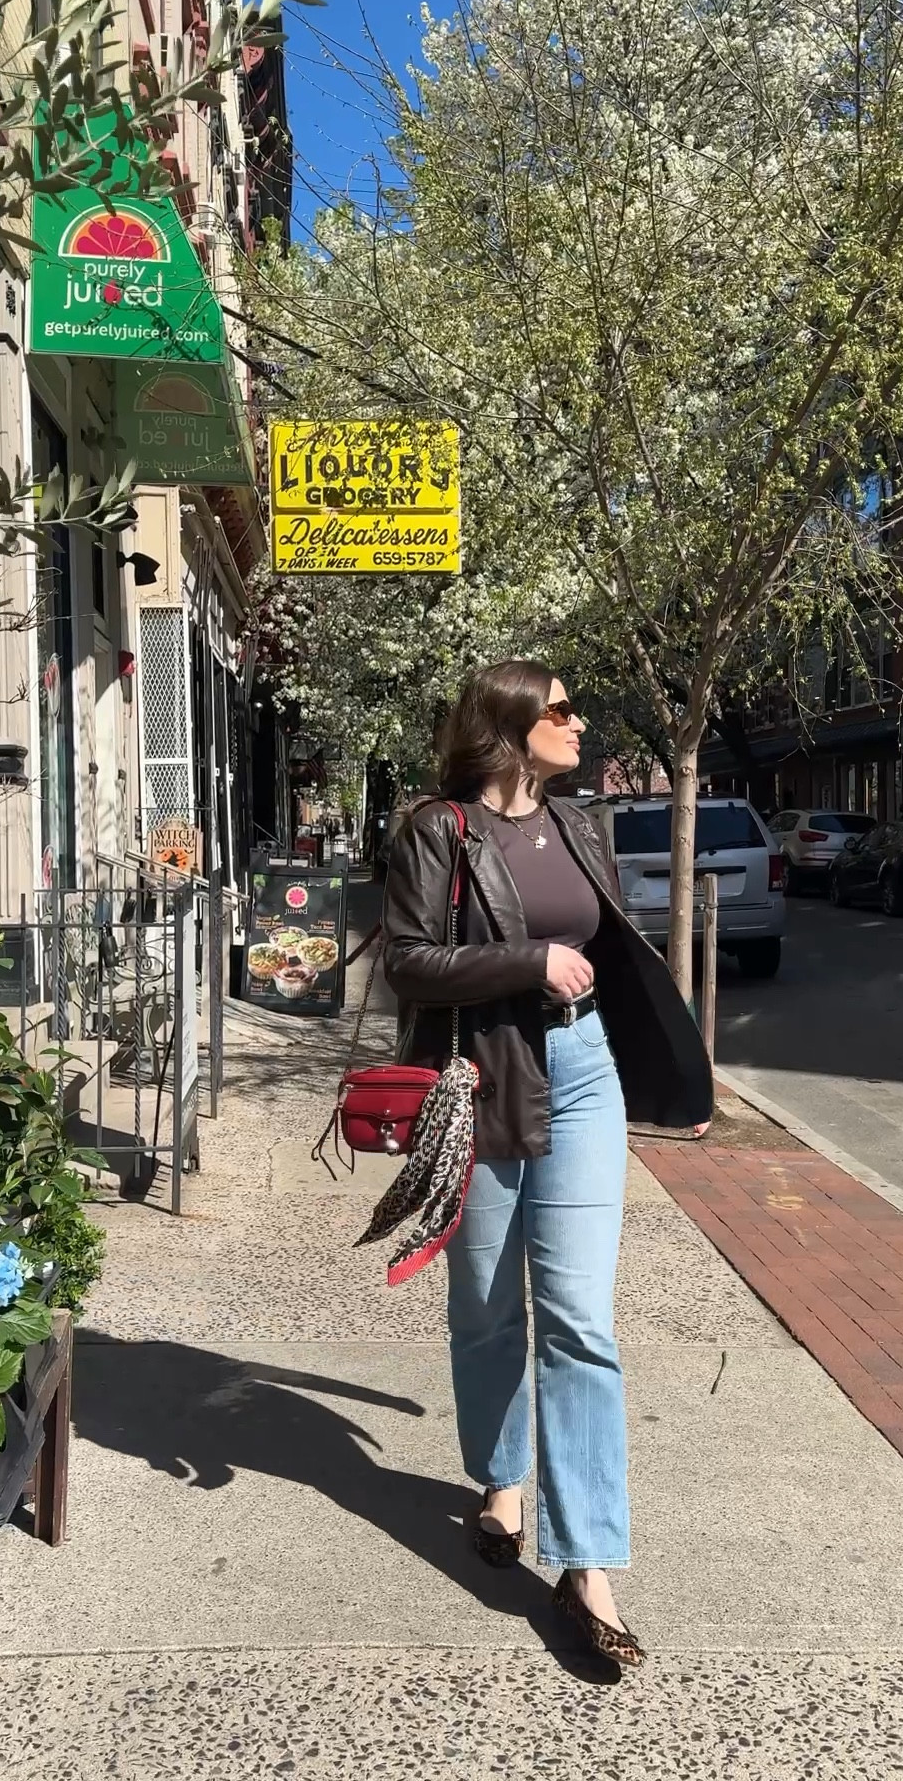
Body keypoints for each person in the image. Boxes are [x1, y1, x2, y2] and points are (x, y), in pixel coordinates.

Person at [382, 660, 713, 1671]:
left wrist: (667, 1073)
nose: (578, 724)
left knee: (578, 1319)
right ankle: (500, 1480)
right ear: (512, 726)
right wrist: (525, 964)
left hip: (582, 1071)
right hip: (484, 1076)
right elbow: (405, 957)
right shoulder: (435, 831)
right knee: (486, 1309)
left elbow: (616, 957)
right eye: (561, 710)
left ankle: (588, 1566)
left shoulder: (579, 824)